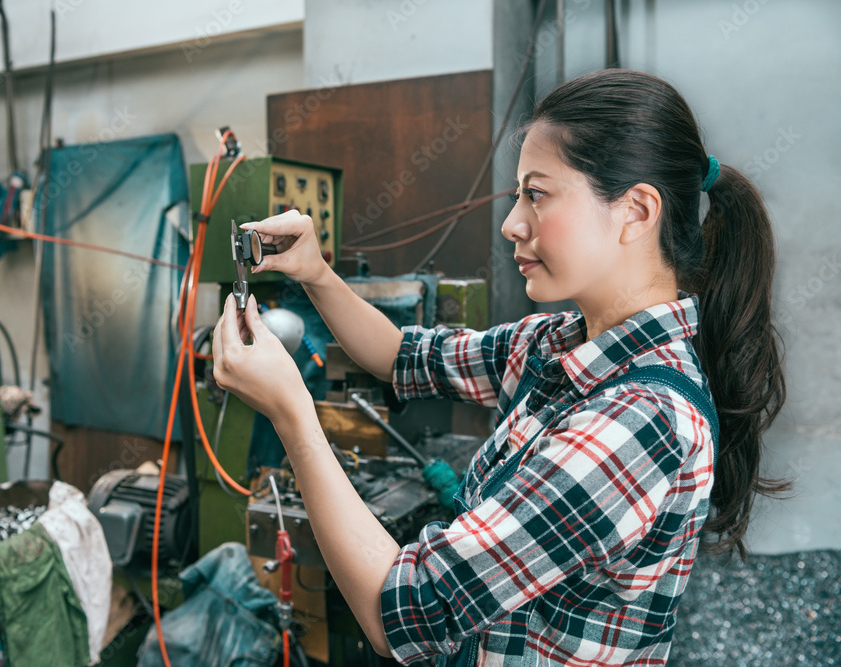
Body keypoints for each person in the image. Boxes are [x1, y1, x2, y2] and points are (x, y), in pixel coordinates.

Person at [211, 69, 787, 666]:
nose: (513, 222)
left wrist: (293, 415)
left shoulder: (643, 422)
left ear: (636, 212)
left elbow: (401, 610)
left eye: (536, 193)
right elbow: (400, 354)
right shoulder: (556, 346)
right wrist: (316, 273)